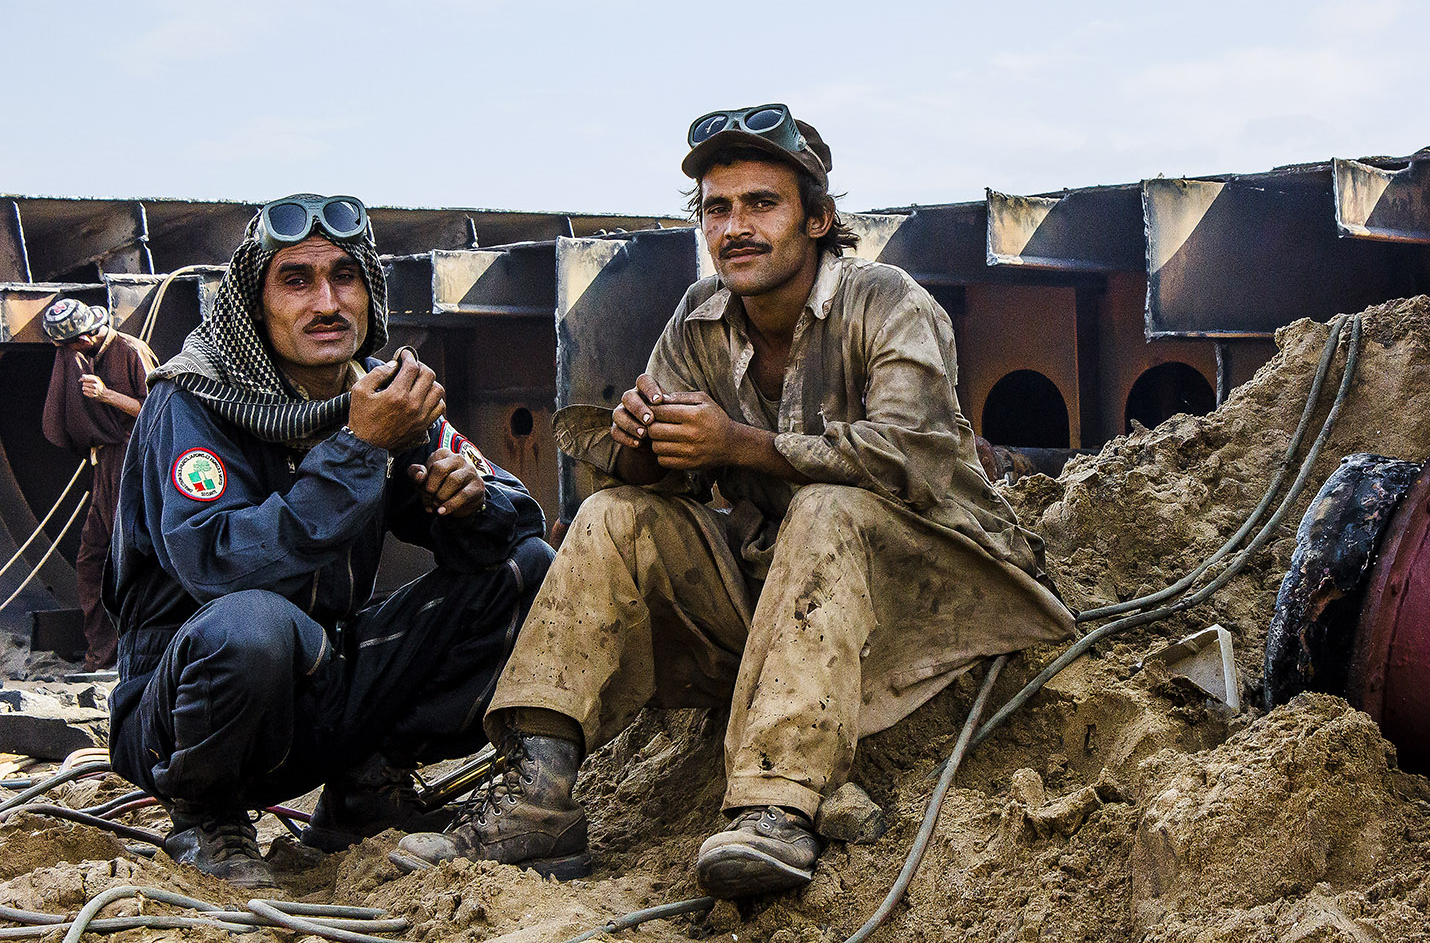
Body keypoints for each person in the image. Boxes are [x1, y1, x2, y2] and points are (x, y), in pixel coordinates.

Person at [393, 107, 1076, 897]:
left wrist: (737, 445)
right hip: (790, 613)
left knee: (826, 505)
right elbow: (670, 477)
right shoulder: (699, 319)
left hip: (938, 595)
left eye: (761, 204)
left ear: (818, 219)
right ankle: (535, 797)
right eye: (717, 209)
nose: (735, 227)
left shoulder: (888, 302)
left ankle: (775, 805)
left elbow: (911, 463)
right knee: (613, 515)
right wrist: (643, 448)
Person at [106, 194, 553, 888]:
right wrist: (356, 450)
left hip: (328, 685)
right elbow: (220, 566)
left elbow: (517, 517)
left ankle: (364, 790)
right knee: (250, 624)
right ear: (256, 304)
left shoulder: (375, 396)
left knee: (530, 571)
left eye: (345, 277)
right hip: (189, 711)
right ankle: (206, 819)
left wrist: (467, 504)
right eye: (297, 280)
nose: (327, 301)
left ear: (369, 293)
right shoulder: (192, 400)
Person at [41, 298, 155, 670]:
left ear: (86, 337)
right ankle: (102, 654)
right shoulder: (80, 356)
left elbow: (159, 409)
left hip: (136, 463)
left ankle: (142, 652)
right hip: (105, 464)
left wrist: (107, 395)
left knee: (135, 559)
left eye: (70, 345)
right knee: (92, 560)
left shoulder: (130, 351)